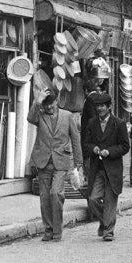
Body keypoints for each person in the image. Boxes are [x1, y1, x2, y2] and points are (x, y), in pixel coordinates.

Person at [28, 90, 82, 242]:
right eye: (46, 105)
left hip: (61, 160)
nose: (49, 107)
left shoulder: (67, 116)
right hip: (43, 161)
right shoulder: (40, 114)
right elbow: (29, 118)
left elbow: (75, 139)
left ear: (56, 101)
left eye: (51, 103)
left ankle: (57, 231)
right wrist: (37, 102)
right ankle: (48, 229)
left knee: (55, 193)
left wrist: (78, 163)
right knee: (45, 197)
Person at [82, 92, 129, 241]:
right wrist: (93, 149)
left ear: (109, 107)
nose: (100, 109)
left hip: (113, 169)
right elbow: (86, 143)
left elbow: (125, 146)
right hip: (97, 168)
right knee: (93, 199)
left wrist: (110, 151)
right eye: (98, 106)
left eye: (103, 106)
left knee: (110, 200)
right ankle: (105, 221)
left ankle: (108, 231)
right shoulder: (91, 123)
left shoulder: (119, 123)